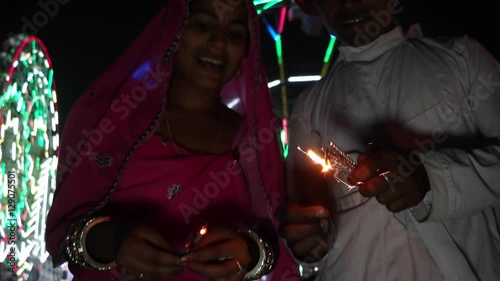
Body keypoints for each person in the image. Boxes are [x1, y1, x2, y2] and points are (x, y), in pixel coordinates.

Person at [45, 0, 300, 280]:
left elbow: (276, 240)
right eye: (204, 25)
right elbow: (64, 235)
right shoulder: (109, 122)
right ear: (174, 31)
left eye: (235, 34)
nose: (218, 42)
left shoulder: (255, 140)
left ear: (246, 52)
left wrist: (250, 253)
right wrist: (115, 240)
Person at [282, 0, 500, 280]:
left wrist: (431, 179)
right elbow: (308, 229)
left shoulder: (464, 61)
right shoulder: (308, 110)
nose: (347, 4)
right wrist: (308, 242)